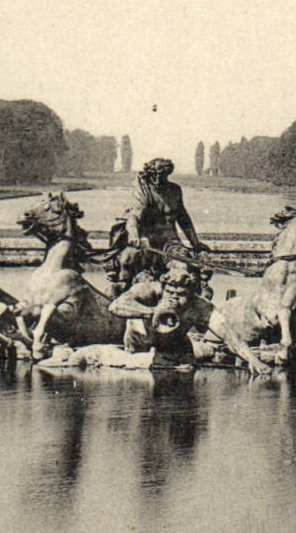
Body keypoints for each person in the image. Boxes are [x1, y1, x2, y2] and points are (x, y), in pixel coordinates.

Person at [107, 260, 273, 376]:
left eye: (181, 295)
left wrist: (253, 360)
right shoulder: (148, 291)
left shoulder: (200, 306)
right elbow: (115, 306)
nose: (174, 298)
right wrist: (152, 312)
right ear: (162, 288)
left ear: (192, 294)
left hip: (174, 347)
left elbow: (230, 336)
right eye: (170, 292)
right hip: (142, 344)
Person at [110, 157, 211, 294]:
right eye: (156, 175)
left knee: (182, 266)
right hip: (147, 244)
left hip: (171, 243)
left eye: (163, 176)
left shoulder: (175, 191)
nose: (158, 179)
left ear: (168, 174)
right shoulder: (143, 191)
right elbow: (134, 216)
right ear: (150, 174)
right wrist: (133, 235)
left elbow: (183, 218)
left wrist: (195, 242)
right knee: (127, 259)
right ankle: (120, 292)